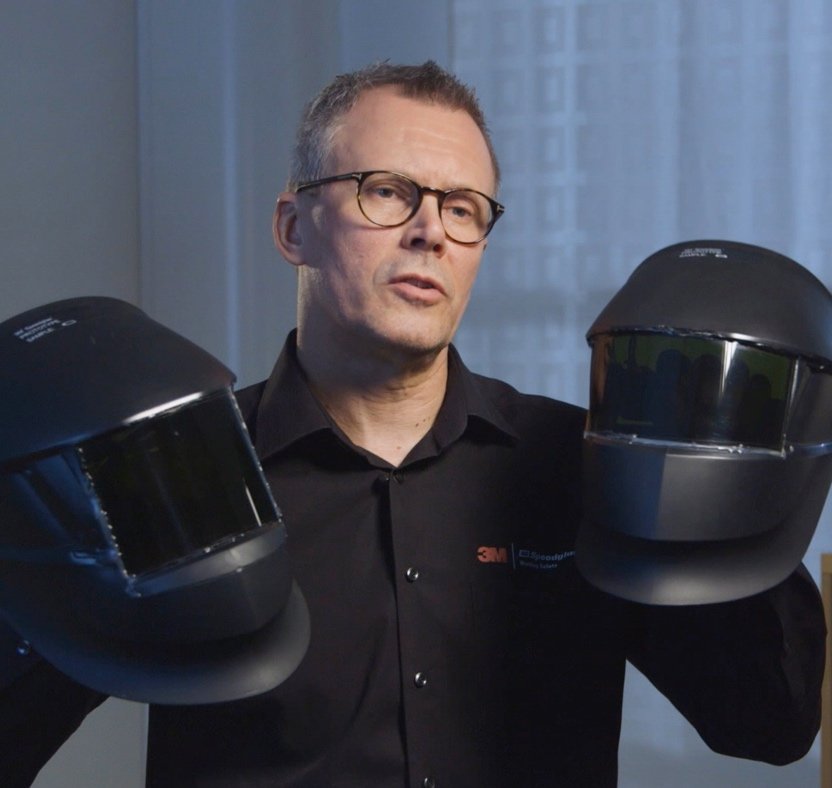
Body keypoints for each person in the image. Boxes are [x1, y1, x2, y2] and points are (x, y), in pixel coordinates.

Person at [0, 60, 825, 788]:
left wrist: (741, 492)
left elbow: (769, 728)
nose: (431, 231)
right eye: (388, 192)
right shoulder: (177, 472)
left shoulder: (580, 466)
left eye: (464, 207)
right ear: (294, 228)